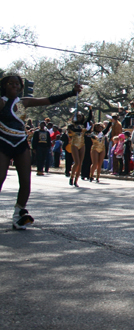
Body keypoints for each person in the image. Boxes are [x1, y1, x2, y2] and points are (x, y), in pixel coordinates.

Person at [1, 76, 81, 229]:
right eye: (11, 84)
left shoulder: (24, 102)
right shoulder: (2, 102)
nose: (15, 86)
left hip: (20, 143)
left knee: (25, 181)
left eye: (18, 84)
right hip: (3, 142)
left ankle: (19, 214)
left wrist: (71, 92)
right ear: (4, 86)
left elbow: (48, 100)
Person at [68, 113, 90, 187]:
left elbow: (89, 118)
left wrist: (90, 109)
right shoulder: (71, 125)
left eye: (80, 116)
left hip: (82, 144)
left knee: (80, 163)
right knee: (77, 162)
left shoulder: (83, 124)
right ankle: (72, 177)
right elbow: (74, 130)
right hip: (74, 144)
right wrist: (83, 130)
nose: (79, 118)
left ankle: (76, 180)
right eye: (77, 116)